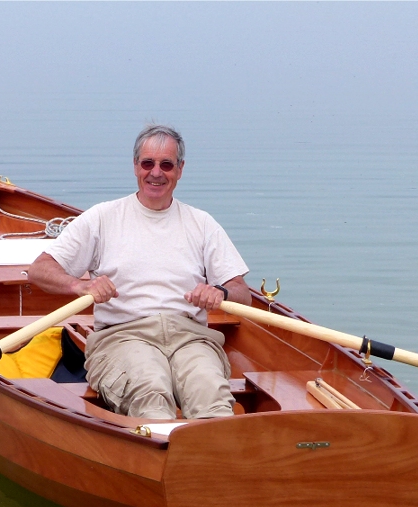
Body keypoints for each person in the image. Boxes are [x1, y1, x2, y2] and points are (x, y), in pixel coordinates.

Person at [27, 124, 252, 420]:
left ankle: (211, 458)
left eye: (166, 165)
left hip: (191, 338)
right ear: (135, 166)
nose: (156, 173)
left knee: (212, 398)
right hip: (124, 337)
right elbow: (39, 270)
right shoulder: (102, 218)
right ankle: (159, 454)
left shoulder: (202, 223)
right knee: (151, 396)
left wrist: (220, 291)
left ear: (180, 169)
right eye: (148, 163)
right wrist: (78, 286)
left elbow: (243, 294)